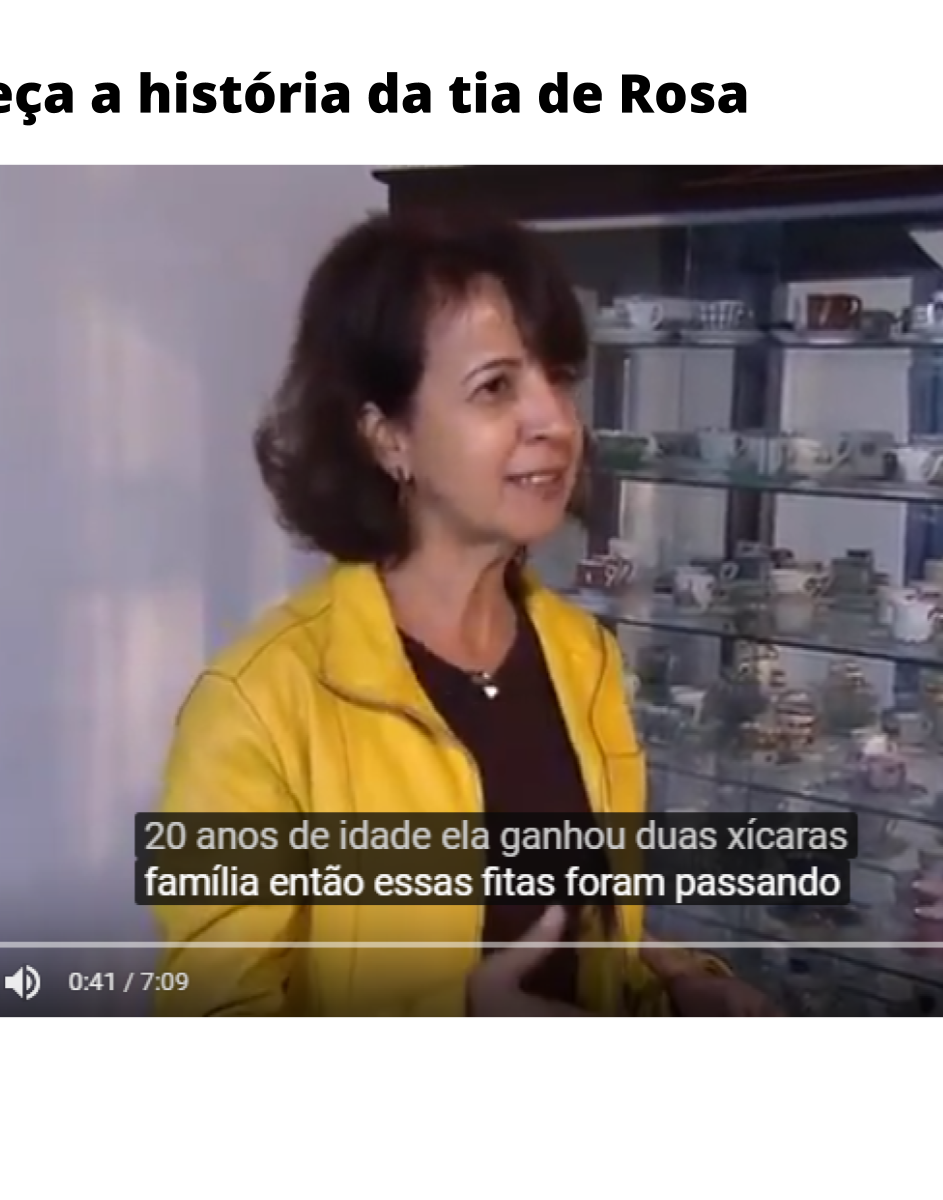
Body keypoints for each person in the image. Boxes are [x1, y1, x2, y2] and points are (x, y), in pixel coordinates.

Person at [153, 211, 777, 1017]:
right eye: (495, 387)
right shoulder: (253, 707)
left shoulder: (583, 656)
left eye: (558, 378)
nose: (556, 422)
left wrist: (682, 986)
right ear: (388, 438)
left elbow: (584, 937)